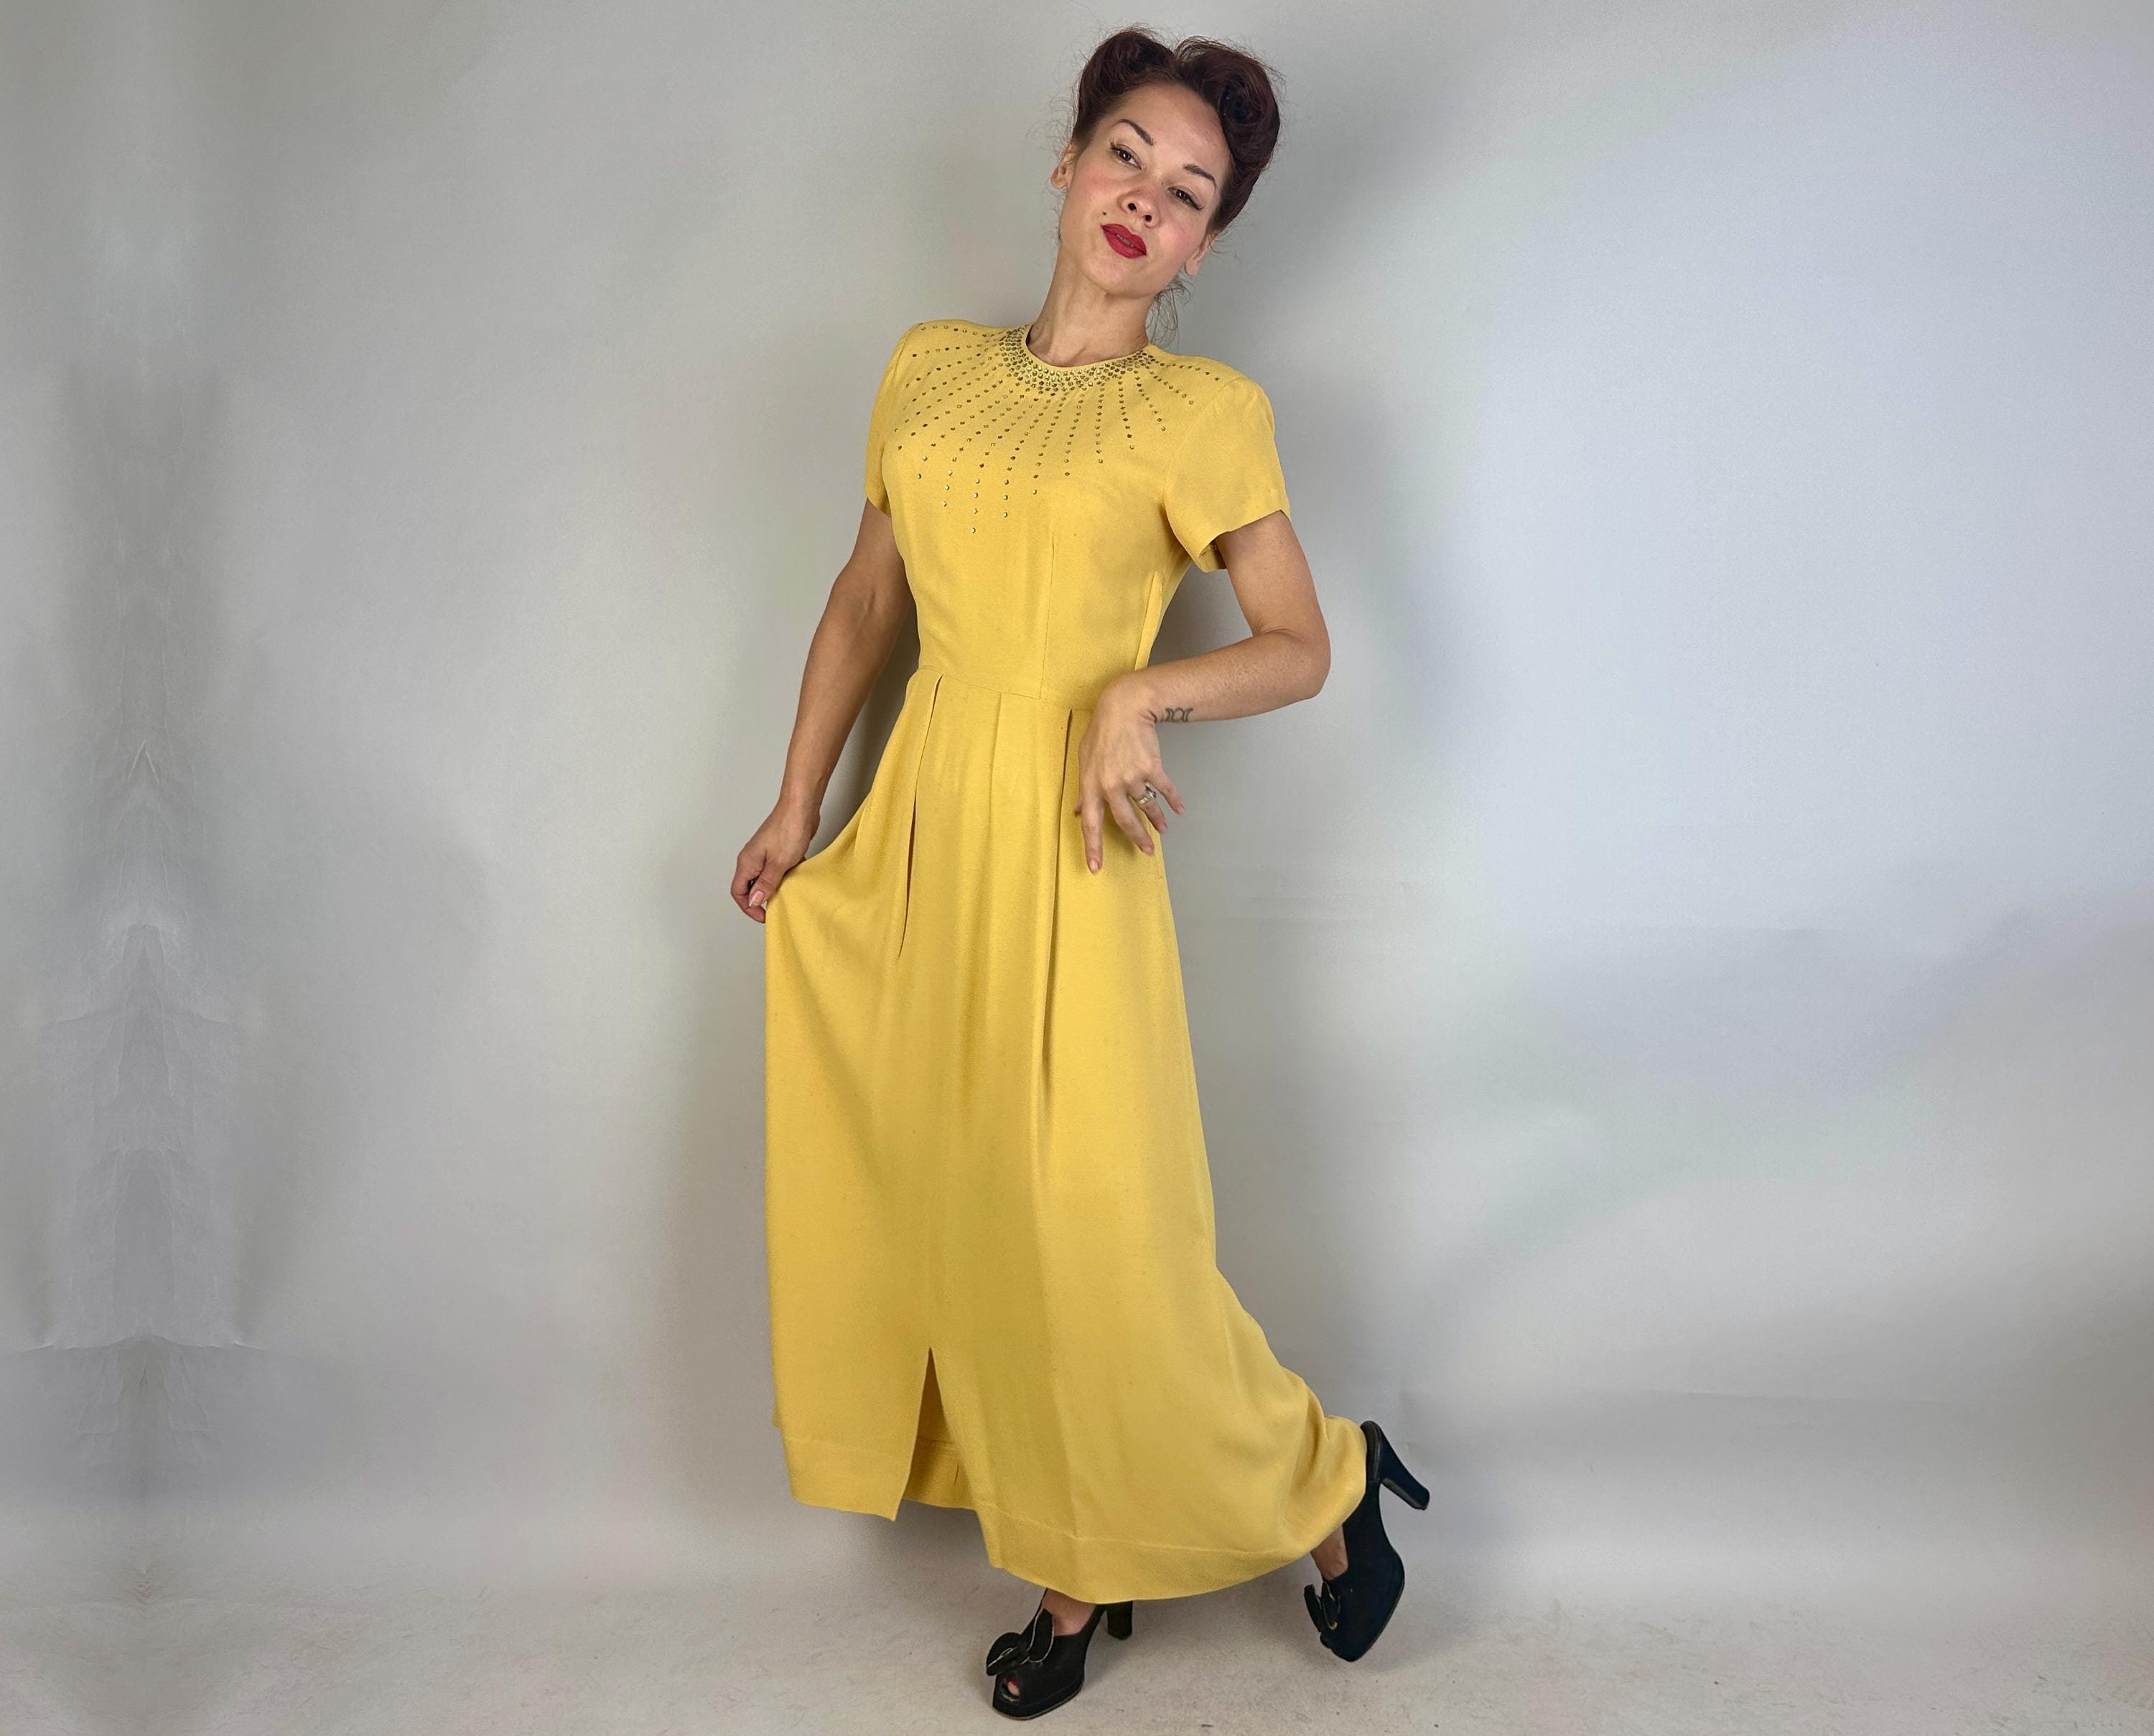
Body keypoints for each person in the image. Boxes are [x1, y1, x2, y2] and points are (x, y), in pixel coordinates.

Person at [735, 27, 1427, 1719]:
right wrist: (794, 804)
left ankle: (1325, 1479)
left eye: (1188, 193)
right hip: (920, 834)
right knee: (967, 1215)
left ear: (1203, 246)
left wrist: (1142, 694)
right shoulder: (926, 367)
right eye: (1127, 153)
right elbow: (865, 601)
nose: (1144, 199)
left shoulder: (1204, 413)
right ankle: (1075, 1564)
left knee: (1097, 1241)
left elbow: (1301, 645)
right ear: (1067, 162)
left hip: (1073, 849)